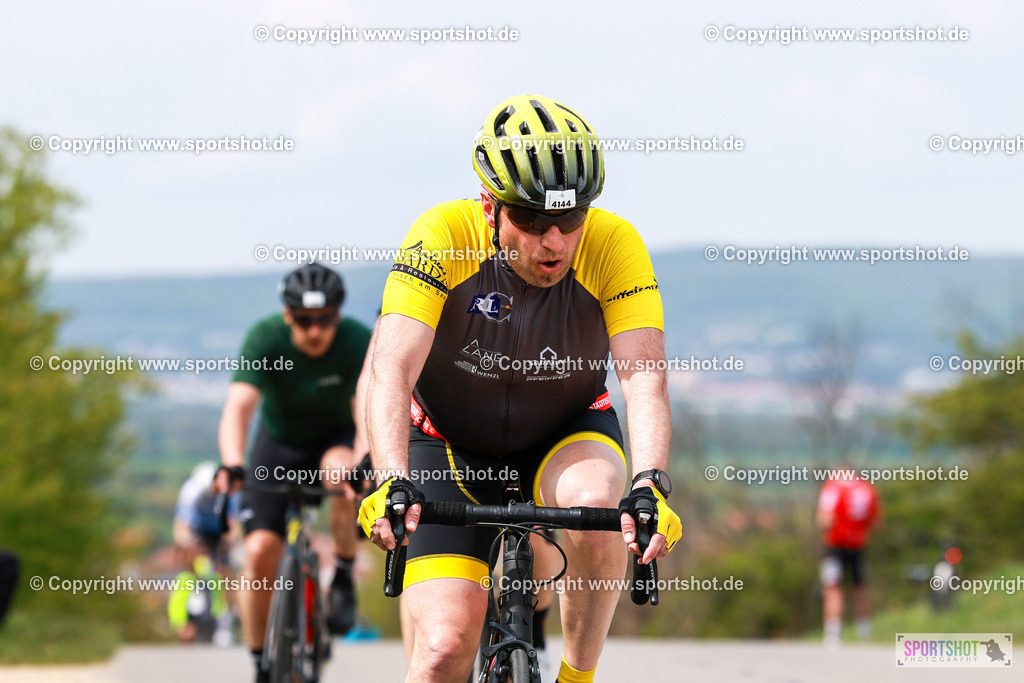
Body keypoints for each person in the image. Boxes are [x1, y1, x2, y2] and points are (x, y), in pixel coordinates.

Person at [358, 94, 681, 683]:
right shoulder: (441, 235)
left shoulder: (615, 245)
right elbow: (391, 370)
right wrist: (389, 479)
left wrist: (651, 481)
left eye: (571, 219)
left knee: (603, 501)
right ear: (489, 206)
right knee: (440, 653)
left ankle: (576, 677)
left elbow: (643, 375)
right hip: (446, 444)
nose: (554, 242)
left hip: (566, 431)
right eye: (532, 221)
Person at [213, 263, 372, 683]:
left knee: (343, 475)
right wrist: (232, 462)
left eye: (325, 321)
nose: (315, 331)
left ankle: (341, 573)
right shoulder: (266, 337)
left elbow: (366, 407)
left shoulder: (357, 340)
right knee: (260, 551)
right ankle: (261, 662)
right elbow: (239, 407)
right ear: (287, 315)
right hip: (279, 444)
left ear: (338, 315)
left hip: (334, 441)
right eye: (304, 321)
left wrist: (365, 459)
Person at [816, 464, 881, 647]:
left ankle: (833, 632)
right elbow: (876, 523)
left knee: (833, 587)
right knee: (860, 587)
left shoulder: (833, 487)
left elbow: (825, 518)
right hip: (859, 544)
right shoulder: (867, 488)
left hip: (835, 545)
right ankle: (864, 631)